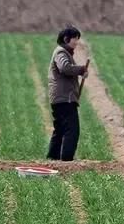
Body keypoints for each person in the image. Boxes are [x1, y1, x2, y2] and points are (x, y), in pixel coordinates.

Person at [46, 26, 88, 161]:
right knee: (72, 130)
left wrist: (80, 71)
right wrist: (81, 70)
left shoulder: (63, 52)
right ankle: (66, 161)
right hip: (65, 99)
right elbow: (65, 68)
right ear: (66, 39)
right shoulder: (61, 53)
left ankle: (53, 158)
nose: (76, 42)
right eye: (75, 39)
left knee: (59, 130)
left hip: (60, 98)